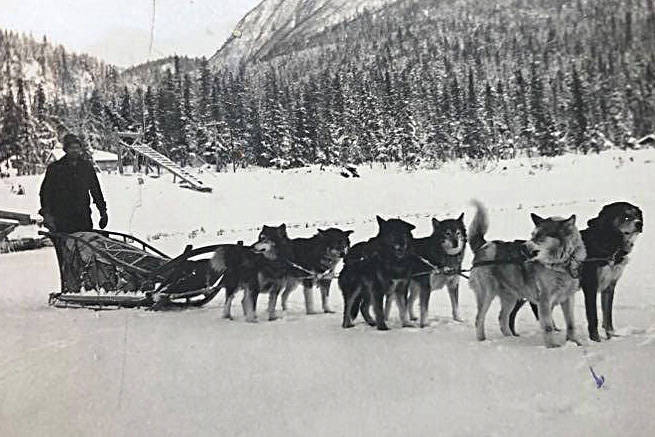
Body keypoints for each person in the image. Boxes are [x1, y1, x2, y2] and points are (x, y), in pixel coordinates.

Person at [39, 133, 108, 233]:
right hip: (61, 217)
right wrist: (47, 215)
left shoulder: (86, 167)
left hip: (82, 216)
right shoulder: (55, 168)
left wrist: (103, 211)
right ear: (66, 149)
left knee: (84, 244)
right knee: (66, 246)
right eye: (71, 148)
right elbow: (45, 193)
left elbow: (95, 190)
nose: (75, 150)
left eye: (77, 147)